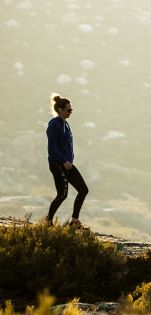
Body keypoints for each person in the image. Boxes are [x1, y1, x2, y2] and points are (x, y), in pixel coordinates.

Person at [46, 94, 89, 227]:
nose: (70, 112)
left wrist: (69, 161)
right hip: (58, 164)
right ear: (60, 110)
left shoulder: (66, 124)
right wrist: (64, 161)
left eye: (71, 110)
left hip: (68, 165)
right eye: (68, 110)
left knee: (83, 190)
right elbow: (52, 146)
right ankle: (48, 221)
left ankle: (74, 221)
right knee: (62, 195)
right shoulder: (54, 125)